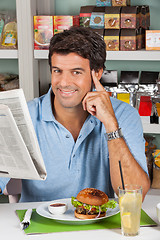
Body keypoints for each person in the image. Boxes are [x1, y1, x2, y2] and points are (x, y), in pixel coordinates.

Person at [0, 26, 150, 202]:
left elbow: (134, 195)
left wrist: (110, 124)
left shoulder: (124, 115)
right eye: (57, 71)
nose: (63, 83)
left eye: (76, 72)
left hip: (98, 226)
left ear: (98, 73)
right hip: (37, 226)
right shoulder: (24, 115)